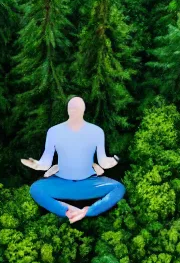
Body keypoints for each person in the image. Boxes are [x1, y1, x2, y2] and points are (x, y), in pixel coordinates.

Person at [21, 96, 126, 224]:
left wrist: (113, 161)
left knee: (119, 188)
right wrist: (36, 165)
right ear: (67, 110)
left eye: (76, 108)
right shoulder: (54, 131)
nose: (73, 110)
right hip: (62, 183)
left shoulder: (96, 131)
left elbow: (103, 161)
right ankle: (68, 212)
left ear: (83, 110)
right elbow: (45, 163)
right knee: (35, 189)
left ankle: (88, 211)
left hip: (89, 183)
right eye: (71, 108)